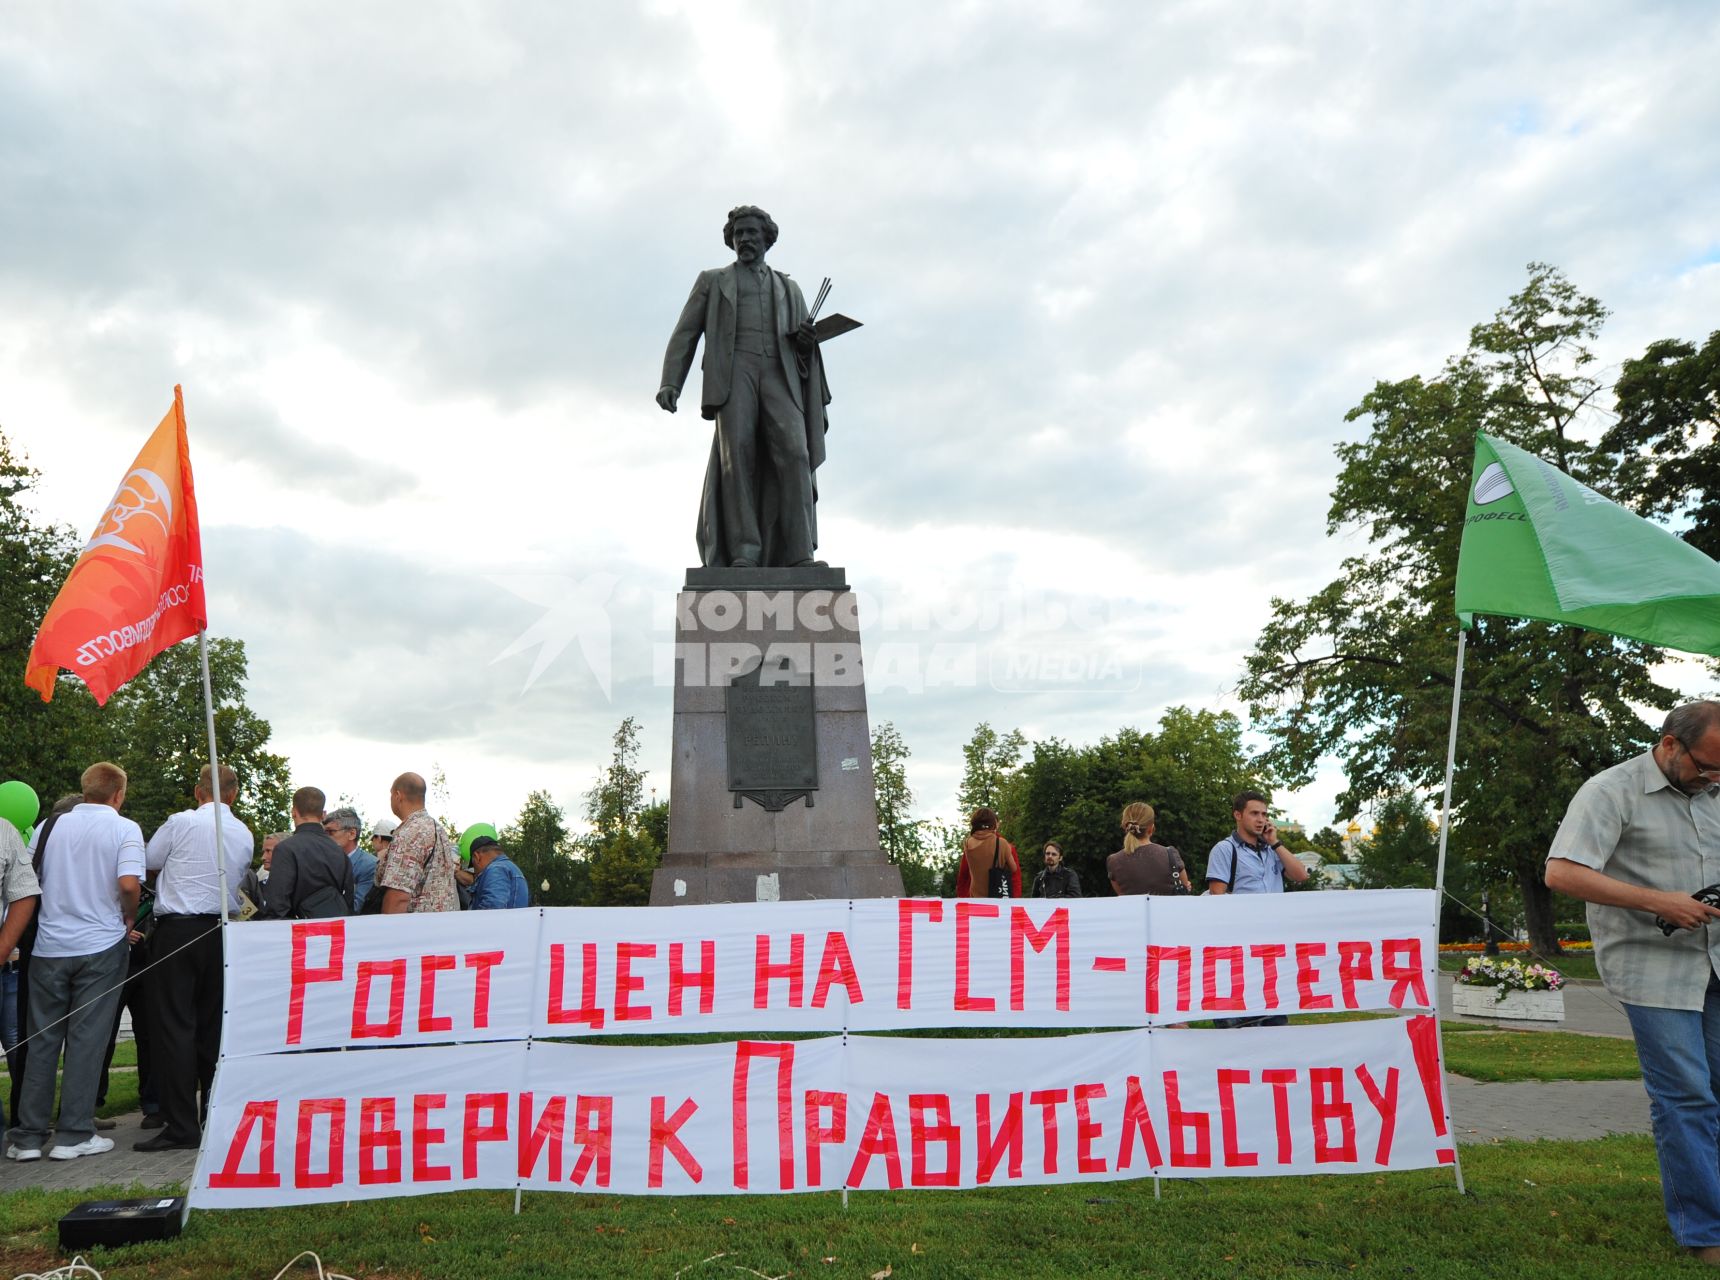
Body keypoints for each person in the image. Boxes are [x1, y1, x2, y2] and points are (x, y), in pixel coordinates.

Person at [1544, 701, 1720, 1262]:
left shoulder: (1717, 785)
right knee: (1686, 1095)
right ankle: (1706, 1234)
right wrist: (1659, 901)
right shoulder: (1609, 791)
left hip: (1718, 961)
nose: (1714, 779)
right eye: (1706, 767)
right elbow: (1562, 872)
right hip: (1653, 968)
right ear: (1670, 744)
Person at [656, 205, 833, 569]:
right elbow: (686, 333)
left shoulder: (790, 288)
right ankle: (744, 551)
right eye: (739, 234)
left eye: (752, 232)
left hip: (779, 374)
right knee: (737, 457)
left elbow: (804, 349)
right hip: (734, 373)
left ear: (767, 238)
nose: (745, 239)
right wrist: (672, 381)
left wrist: (805, 341)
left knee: (796, 455)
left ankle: (800, 552)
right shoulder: (712, 280)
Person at [6, 763, 142, 1162]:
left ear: (84, 790)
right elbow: (129, 884)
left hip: (49, 946)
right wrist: (129, 915)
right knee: (87, 1041)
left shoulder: (51, 827)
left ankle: (27, 1137)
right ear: (118, 794)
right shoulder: (124, 828)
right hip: (100, 944)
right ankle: (74, 1134)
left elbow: (25, 879)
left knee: (41, 1041)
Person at [137, 764, 253, 1152]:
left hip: (179, 930)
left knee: (173, 1028)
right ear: (233, 795)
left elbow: (150, 862)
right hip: (220, 932)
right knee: (211, 1028)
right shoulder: (243, 832)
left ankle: (181, 1124)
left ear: (197, 791)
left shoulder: (181, 822)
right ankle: (213, 1116)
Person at [1205, 790, 1308, 1030]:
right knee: (1239, 1025)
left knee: (1275, 1022)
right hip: (1239, 948)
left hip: (1273, 947)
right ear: (1238, 815)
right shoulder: (1225, 849)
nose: (1261, 819)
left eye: (1264, 814)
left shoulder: (1272, 850)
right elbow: (1216, 896)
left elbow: (1301, 875)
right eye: (1254, 813)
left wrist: (1275, 842)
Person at [0, 810, 42, 1138]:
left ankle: (21, 1125)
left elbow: (24, 893)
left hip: (8, 963)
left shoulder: (4, 830)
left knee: (17, 1042)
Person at [260, 788, 352, 920]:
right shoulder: (339, 851)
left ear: (293, 812)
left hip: (297, 933)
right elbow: (348, 900)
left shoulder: (285, 849)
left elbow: (276, 905)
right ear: (323, 814)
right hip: (335, 930)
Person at [377, 773, 460, 913]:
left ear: (398, 795)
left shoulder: (409, 834)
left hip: (415, 929)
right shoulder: (438, 829)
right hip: (443, 924)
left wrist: (387, 932)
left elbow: (398, 898)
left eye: (390, 795)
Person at [1106, 803, 1191, 896]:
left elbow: (1123, 896)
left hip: (1134, 910)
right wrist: (1186, 888)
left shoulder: (1114, 861)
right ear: (1151, 828)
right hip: (1168, 910)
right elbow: (1184, 889)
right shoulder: (1170, 853)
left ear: (1125, 827)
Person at [955, 807, 1021, 899]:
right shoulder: (1004, 844)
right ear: (994, 824)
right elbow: (1015, 871)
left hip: (974, 899)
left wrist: (961, 897)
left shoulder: (967, 844)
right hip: (999, 897)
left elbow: (963, 875)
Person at [324, 807, 375, 912]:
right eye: (324, 833)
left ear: (352, 834)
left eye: (330, 832)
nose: (325, 837)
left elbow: (356, 908)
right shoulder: (324, 862)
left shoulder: (368, 865)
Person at [468, 836, 531, 910]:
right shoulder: (512, 868)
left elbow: (492, 908)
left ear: (477, 857)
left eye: (473, 865)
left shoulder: (496, 869)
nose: (475, 871)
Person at [239, 832, 283, 917]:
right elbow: (249, 917)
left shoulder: (302, 883)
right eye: (264, 852)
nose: (263, 857)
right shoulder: (256, 882)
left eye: (268, 851)